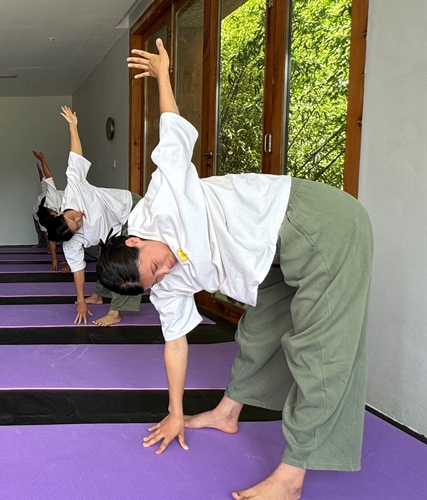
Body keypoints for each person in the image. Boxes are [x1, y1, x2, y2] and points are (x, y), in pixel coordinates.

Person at [96, 39, 372, 499]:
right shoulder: (160, 283)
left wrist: (164, 75)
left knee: (319, 352)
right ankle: (227, 413)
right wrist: (176, 411)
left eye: (155, 265)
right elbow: (176, 344)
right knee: (258, 333)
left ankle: (291, 477)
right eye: (154, 281)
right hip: (271, 257)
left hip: (314, 224)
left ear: (135, 239)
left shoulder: (163, 198)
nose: (163, 274)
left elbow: (171, 131)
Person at [37, 106, 143, 326]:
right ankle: (97, 296)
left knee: (125, 262)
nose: (79, 217)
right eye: (77, 224)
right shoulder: (71, 244)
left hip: (129, 209)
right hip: (111, 231)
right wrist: (80, 302)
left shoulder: (74, 189)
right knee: (106, 259)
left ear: (60, 213)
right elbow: (78, 271)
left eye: (72, 217)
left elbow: (75, 157)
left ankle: (115, 312)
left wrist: (73, 126)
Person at [31, 150, 65, 271]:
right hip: (36, 213)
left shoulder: (52, 196)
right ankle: (43, 245)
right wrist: (53, 258)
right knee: (43, 235)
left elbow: (48, 178)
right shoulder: (42, 218)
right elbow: (48, 236)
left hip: (60, 206)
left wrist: (42, 160)